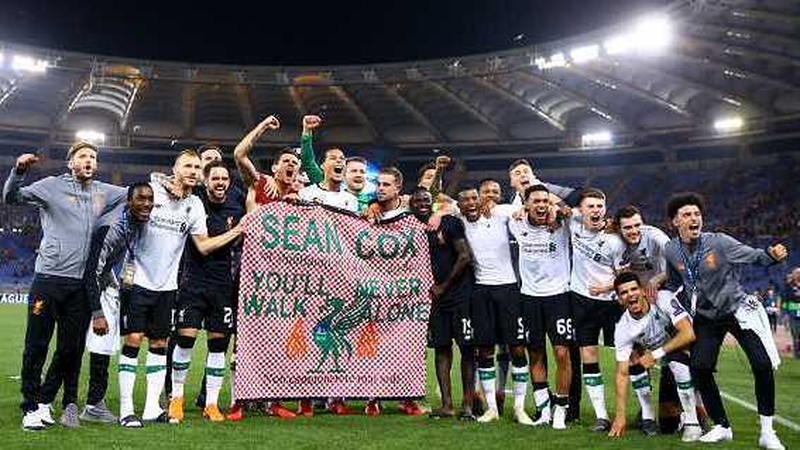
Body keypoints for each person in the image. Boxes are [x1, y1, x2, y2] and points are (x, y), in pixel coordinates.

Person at [3, 142, 127, 431]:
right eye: (83, 156)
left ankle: (46, 401)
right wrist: (18, 171)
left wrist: (166, 181)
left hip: (82, 285)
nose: (89, 160)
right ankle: (31, 406)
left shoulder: (103, 191)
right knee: (37, 345)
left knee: (70, 349)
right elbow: (12, 197)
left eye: (94, 157)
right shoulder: (50, 186)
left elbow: (137, 194)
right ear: (71, 162)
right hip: (48, 279)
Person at [116, 150, 243, 428]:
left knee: (160, 344)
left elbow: (202, 244)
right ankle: (127, 409)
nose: (193, 170)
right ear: (174, 168)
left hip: (168, 286)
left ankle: (152, 407)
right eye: (187, 165)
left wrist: (237, 230)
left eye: (197, 167)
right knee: (134, 339)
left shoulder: (194, 205)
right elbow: (135, 200)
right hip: (138, 280)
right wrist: (159, 182)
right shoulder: (153, 191)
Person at [664, 192, 787, 449]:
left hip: (736, 309)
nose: (694, 218)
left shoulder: (719, 242)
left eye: (697, 214)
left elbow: (755, 256)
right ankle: (722, 426)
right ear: (675, 222)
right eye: (687, 215)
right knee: (700, 368)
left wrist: (772, 255)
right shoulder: (671, 249)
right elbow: (675, 284)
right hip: (707, 316)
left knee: (762, 364)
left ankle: (767, 431)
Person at [168, 161, 245, 424]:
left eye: (225, 178)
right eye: (215, 178)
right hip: (193, 281)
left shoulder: (237, 206)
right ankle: (176, 398)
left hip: (222, 284)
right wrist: (236, 231)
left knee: (218, 346)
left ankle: (211, 404)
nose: (221, 182)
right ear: (205, 180)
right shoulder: (195, 200)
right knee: (185, 341)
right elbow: (165, 180)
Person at [457, 186, 533, 426]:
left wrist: (521, 210)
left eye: (474, 198)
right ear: (459, 205)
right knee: (486, 350)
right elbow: (439, 204)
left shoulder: (500, 213)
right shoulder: (458, 220)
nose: (470, 202)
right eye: (465, 199)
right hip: (481, 290)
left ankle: (520, 408)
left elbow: (523, 210)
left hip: (508, 289)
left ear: (481, 200)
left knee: (517, 348)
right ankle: (492, 408)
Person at [80, 182, 154, 425]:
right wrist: (97, 311)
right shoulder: (112, 228)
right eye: (140, 199)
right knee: (77, 347)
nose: (146, 204)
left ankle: (93, 402)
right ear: (128, 201)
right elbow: (92, 270)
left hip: (105, 286)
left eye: (150, 199)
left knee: (102, 346)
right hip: (85, 289)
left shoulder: (134, 222)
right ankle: (83, 404)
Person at [608, 272, 703, 442]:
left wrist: (655, 354)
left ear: (643, 291)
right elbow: (622, 374)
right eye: (624, 293)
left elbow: (689, 333)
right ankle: (678, 413)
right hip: (669, 357)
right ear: (620, 299)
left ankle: (693, 422)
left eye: (634, 289)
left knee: (676, 362)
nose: (630, 295)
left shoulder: (663, 299)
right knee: (667, 425)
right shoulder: (623, 328)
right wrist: (620, 416)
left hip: (694, 351)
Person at [507, 185, 572, 429]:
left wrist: (558, 208)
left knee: (562, 353)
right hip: (529, 298)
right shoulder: (515, 222)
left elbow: (573, 209)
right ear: (526, 205)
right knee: (535, 352)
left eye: (545, 200)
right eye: (536, 201)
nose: (542, 205)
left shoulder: (562, 225)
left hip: (558, 296)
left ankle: (561, 410)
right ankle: (544, 410)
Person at [409, 188, 476, 420]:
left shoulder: (448, 222)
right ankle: (447, 405)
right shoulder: (411, 228)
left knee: (467, 348)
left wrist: (443, 286)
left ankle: (467, 406)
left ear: (432, 203)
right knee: (441, 348)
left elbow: (465, 256)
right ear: (411, 205)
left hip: (460, 295)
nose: (422, 204)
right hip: (436, 300)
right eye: (417, 201)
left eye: (426, 200)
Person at [362, 167, 424, 417]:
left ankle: (408, 398)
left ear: (398, 188)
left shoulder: (412, 213)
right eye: (379, 184)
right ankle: (372, 398)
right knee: (373, 346)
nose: (380, 188)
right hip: (374, 290)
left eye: (386, 184)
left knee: (408, 344)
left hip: (406, 292)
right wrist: (370, 205)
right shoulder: (368, 213)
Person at [568, 188, 626, 432]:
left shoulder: (615, 239)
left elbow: (625, 276)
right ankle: (601, 416)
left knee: (627, 357)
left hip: (612, 303)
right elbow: (553, 200)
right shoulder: (572, 223)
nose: (595, 210)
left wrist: (606, 288)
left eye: (599, 206)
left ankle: (645, 414)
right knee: (588, 357)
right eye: (590, 206)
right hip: (581, 301)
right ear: (580, 210)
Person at [783, 268, 800, 358]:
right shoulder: (789, 285)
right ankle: (796, 354)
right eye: (797, 273)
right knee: (795, 335)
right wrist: (785, 313)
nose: (798, 275)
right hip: (793, 314)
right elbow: (785, 298)